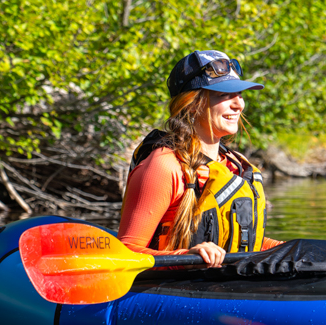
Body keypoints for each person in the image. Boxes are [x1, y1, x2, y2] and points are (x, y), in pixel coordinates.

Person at [118, 50, 282, 267]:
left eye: (240, 95)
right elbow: (126, 252)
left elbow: (250, 245)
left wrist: (304, 249)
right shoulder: (164, 166)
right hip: (171, 290)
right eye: (224, 95)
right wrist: (189, 255)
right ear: (193, 104)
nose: (238, 105)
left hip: (223, 285)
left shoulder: (236, 166)